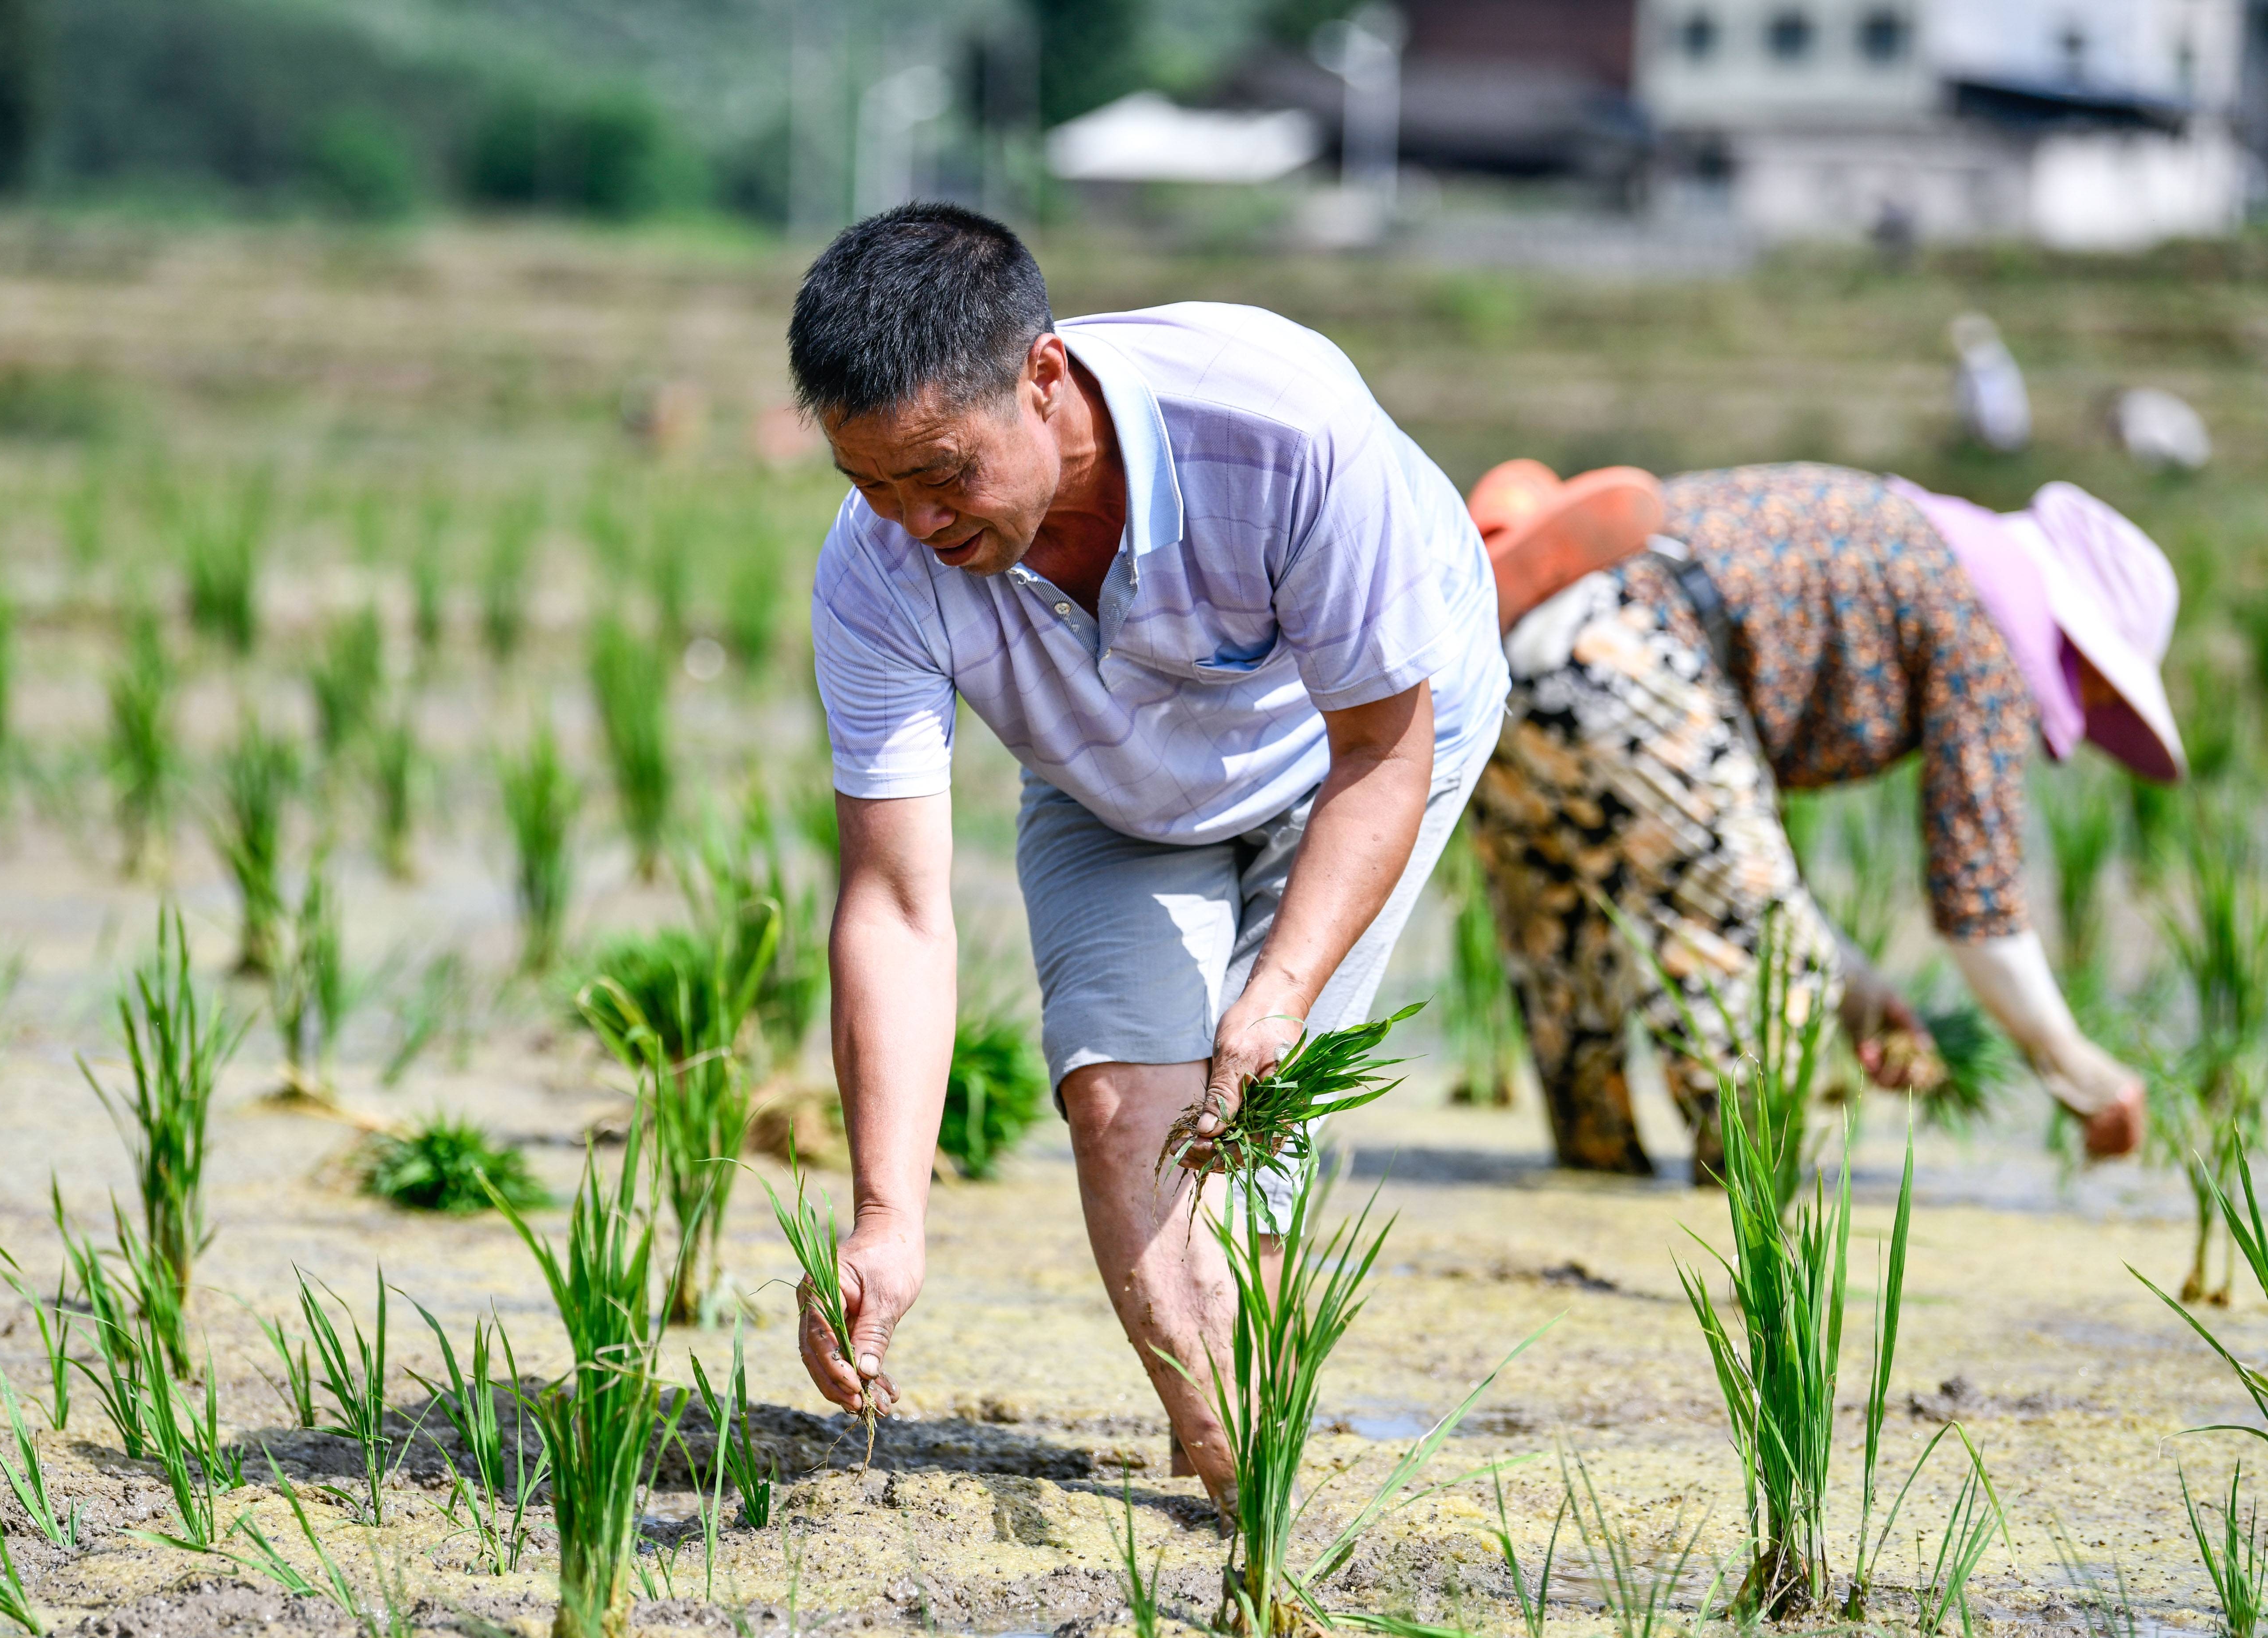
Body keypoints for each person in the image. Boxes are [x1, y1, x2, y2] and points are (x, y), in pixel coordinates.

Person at [790, 204, 1506, 1504]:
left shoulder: (1283, 425)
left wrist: (1277, 997)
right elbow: (897, 906)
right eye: (871, 486)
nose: (914, 523)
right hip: (1110, 774)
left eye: (943, 473)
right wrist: (889, 1218)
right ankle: (1227, 1454)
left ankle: (1258, 1495)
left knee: (1244, 1140)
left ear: (1044, 376)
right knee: (1124, 1102)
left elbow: (1382, 756)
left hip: (1361, 737)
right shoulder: (877, 570)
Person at [1465, 458, 2174, 1177]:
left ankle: (1591, 1194)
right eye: (2103, 686)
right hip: (1634, 656)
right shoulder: (1986, 636)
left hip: (1513, 660)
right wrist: (2076, 1068)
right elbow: (1978, 905)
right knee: (1770, 984)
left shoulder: (1903, 539)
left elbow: (1725, 847)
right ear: (2078, 640)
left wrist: (1858, 988)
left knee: (1568, 956)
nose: (2097, 707)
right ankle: (1747, 1227)